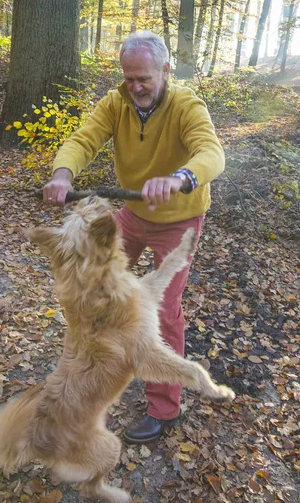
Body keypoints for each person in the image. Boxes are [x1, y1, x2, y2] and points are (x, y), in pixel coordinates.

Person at [42, 31, 225, 444]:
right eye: (129, 79)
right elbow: (84, 139)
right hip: (132, 213)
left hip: (179, 222)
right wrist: (62, 174)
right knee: (92, 282)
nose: (136, 87)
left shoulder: (186, 105)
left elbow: (212, 154)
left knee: (161, 310)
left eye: (143, 78)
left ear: (164, 70)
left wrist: (181, 178)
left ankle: (164, 407)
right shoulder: (116, 103)